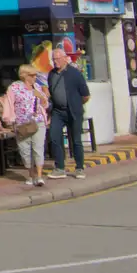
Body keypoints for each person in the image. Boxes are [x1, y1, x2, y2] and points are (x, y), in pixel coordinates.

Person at [45, 47, 90, 179]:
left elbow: (86, 95)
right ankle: (59, 168)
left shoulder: (75, 74)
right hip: (57, 111)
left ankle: (79, 168)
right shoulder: (52, 74)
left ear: (65, 59)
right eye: (53, 59)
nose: (55, 62)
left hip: (73, 111)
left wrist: (76, 104)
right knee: (54, 137)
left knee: (75, 140)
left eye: (57, 59)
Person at [4, 64, 48, 187]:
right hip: (22, 124)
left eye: (35, 75)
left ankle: (39, 176)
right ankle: (31, 174)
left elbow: (45, 104)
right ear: (24, 76)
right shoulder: (14, 87)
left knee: (38, 148)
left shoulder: (37, 86)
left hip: (37, 121)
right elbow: (8, 103)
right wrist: (10, 120)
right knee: (25, 151)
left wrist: (42, 98)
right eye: (32, 75)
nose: (35, 77)